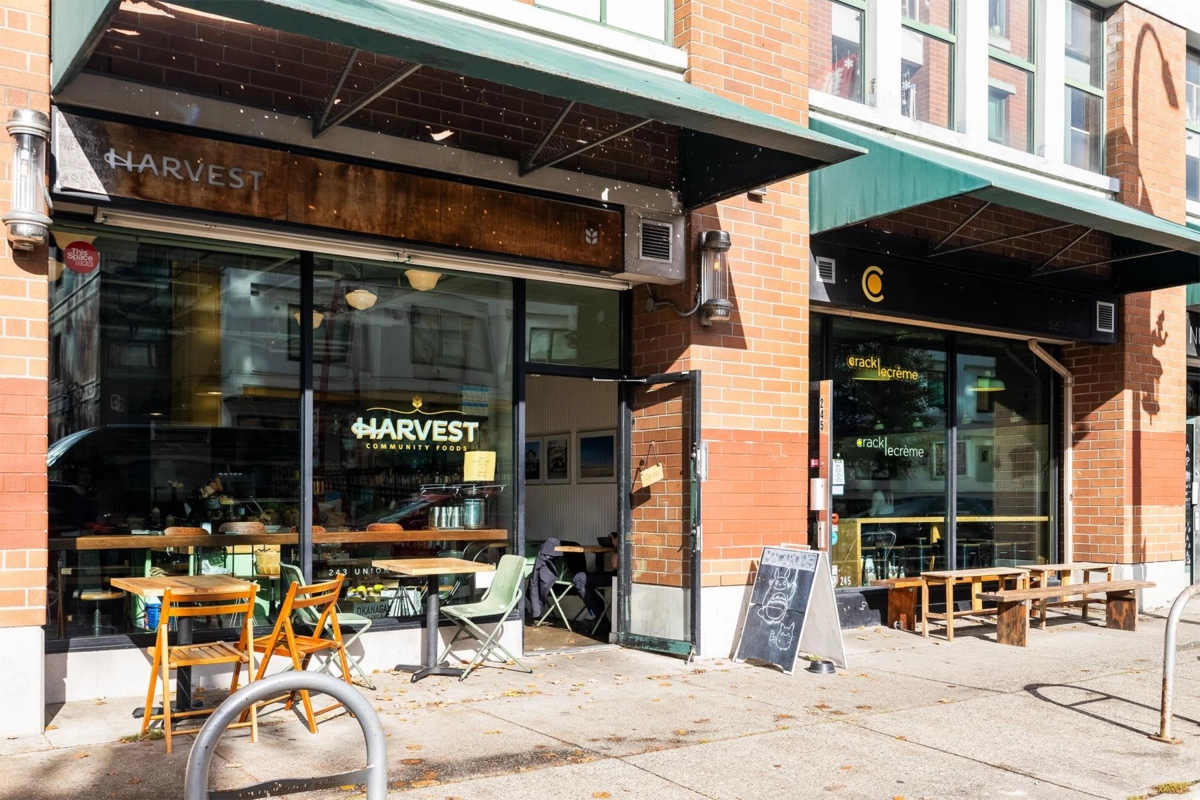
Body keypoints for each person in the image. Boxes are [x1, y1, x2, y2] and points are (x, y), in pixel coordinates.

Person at [573, 531, 618, 621]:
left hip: (617, 578)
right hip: (615, 576)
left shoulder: (624, 546)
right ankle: (599, 615)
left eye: (613, 538)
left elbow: (615, 564)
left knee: (579, 578)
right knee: (587, 580)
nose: (611, 540)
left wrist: (617, 546)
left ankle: (597, 615)